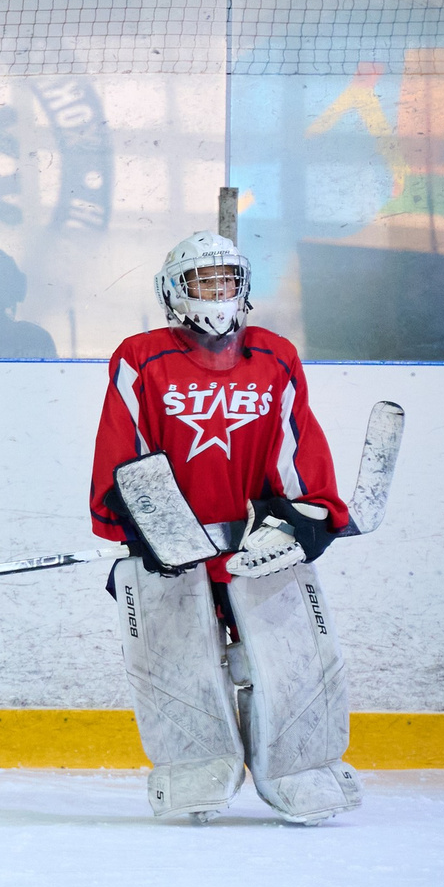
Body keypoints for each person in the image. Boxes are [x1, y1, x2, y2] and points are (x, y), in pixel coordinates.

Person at [90, 230, 360, 826]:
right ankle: (193, 767)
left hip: (256, 545)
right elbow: (123, 451)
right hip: (177, 546)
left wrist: (306, 516)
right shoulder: (140, 357)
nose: (219, 291)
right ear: (173, 292)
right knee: (179, 663)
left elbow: (298, 447)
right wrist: (145, 529)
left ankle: (301, 767)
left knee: (293, 660)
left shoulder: (275, 354)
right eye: (203, 280)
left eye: (228, 280)